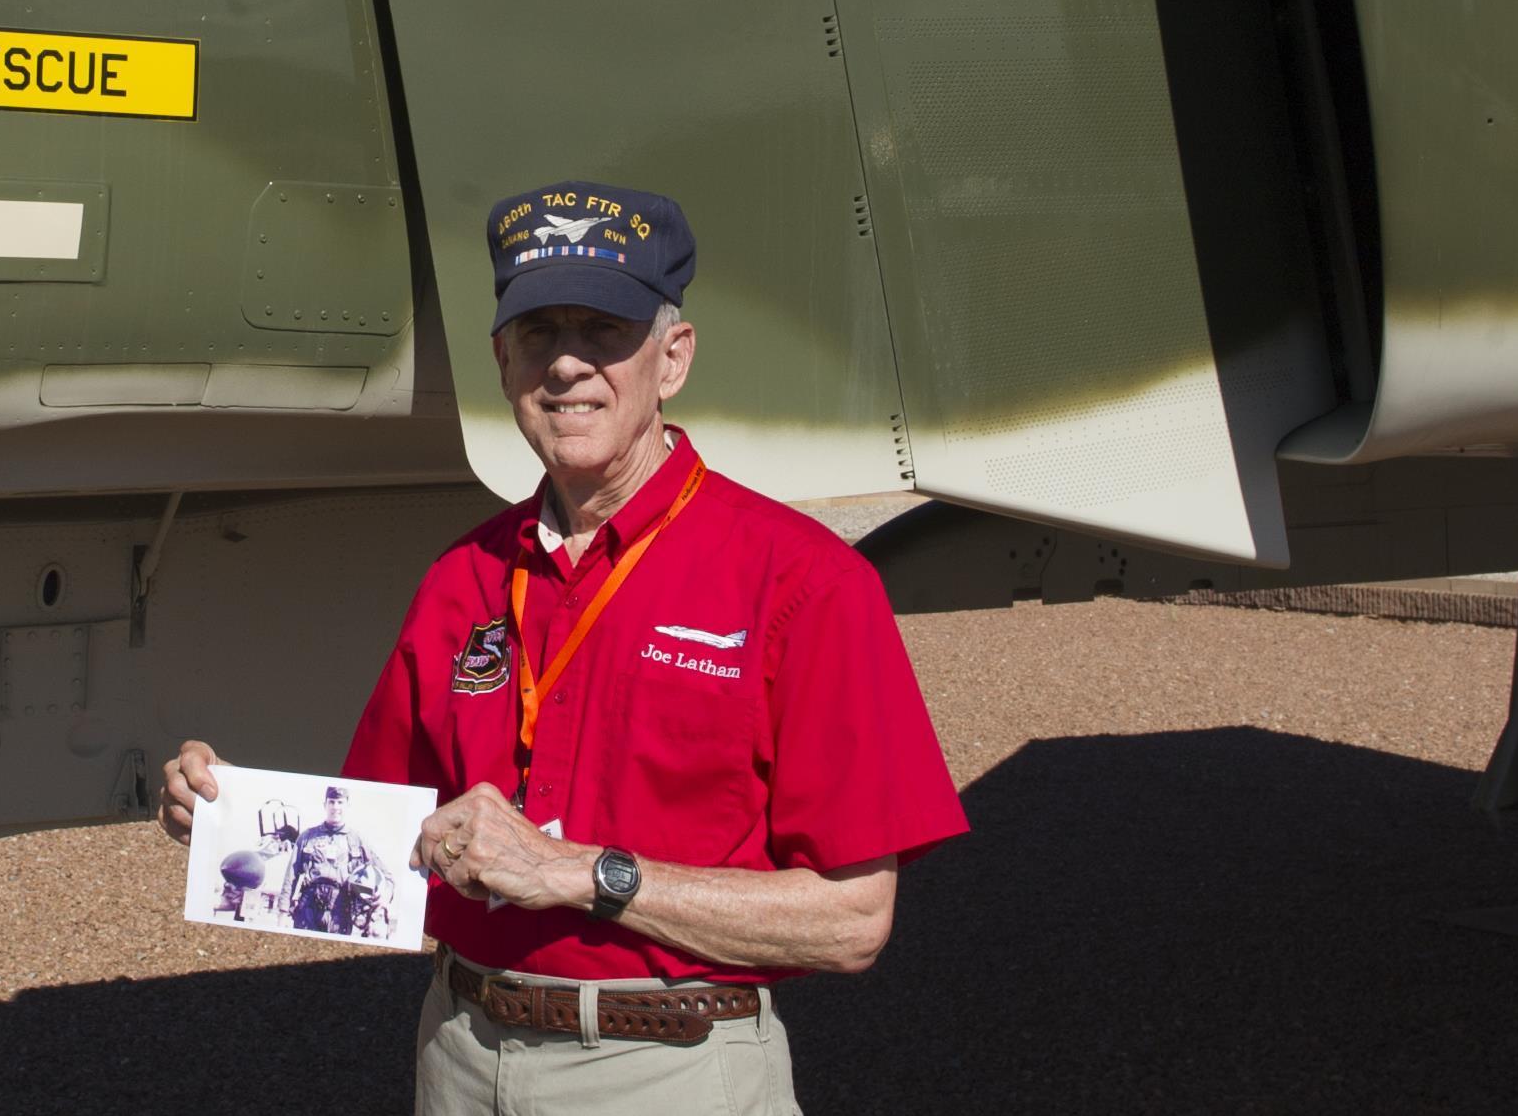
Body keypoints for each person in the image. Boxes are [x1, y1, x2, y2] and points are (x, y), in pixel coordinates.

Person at [164, 180, 966, 1114]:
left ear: (673, 357)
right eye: (540, 334)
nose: (568, 366)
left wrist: (580, 872)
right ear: (503, 362)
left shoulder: (804, 584)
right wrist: (230, 820)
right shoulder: (460, 579)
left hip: (669, 1068)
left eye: (605, 330)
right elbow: (389, 858)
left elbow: (853, 922)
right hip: (461, 1053)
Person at [280, 784, 386, 937]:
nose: (335, 807)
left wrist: (384, 897)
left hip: (341, 910)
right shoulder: (307, 836)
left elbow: (385, 875)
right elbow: (291, 875)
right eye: (331, 802)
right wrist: (283, 912)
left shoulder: (358, 839)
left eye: (340, 802)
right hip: (308, 907)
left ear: (348, 805)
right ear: (325, 805)